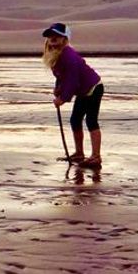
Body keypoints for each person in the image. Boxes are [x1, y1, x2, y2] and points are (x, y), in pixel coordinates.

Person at [42, 22, 104, 168]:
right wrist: (58, 89)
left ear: (65, 38)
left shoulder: (68, 55)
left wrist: (62, 99)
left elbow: (72, 81)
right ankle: (79, 153)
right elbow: (61, 77)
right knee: (75, 120)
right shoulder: (55, 55)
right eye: (51, 35)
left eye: (57, 35)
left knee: (91, 121)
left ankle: (96, 157)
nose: (53, 38)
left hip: (93, 88)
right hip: (83, 91)